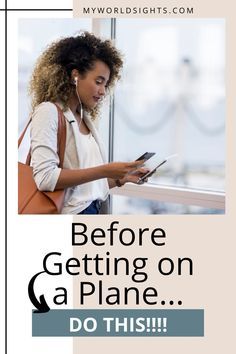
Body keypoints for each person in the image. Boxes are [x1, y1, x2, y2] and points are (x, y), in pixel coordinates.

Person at [28, 31, 148, 214]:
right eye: (98, 82)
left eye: (106, 85)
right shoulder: (48, 112)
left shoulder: (83, 118)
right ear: (74, 76)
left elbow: (84, 189)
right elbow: (45, 178)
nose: (102, 91)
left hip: (94, 211)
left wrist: (121, 178)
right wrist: (105, 170)